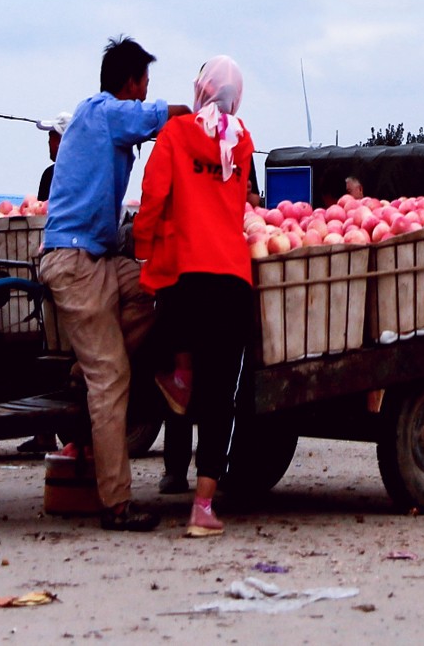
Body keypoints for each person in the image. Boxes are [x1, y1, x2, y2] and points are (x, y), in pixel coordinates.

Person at [38, 36, 187, 532]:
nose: (146, 92)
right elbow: (163, 115)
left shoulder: (98, 119)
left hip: (98, 257)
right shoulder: (105, 113)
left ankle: (87, 364)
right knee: (112, 377)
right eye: (144, 84)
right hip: (75, 263)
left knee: (156, 284)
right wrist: (208, 114)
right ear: (130, 84)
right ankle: (117, 505)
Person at [135, 56, 256, 539]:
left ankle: (179, 377)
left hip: (186, 278)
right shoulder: (242, 141)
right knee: (221, 397)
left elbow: (153, 194)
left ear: (201, 90)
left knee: (151, 355)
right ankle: (202, 509)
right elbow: (236, 201)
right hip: (233, 280)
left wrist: (143, 246)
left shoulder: (176, 133)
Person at [38, 114, 70, 203]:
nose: (49, 142)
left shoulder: (51, 174)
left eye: (52, 138)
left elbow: (42, 209)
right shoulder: (91, 174)